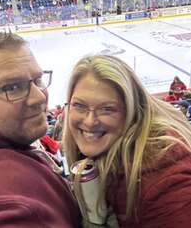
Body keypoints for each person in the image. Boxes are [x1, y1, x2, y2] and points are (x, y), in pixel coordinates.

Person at [0, 32, 81, 227]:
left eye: (38, 80)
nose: (39, 97)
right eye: (12, 87)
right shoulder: (4, 199)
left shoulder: (7, 145)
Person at [63, 54, 191, 228]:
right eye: (79, 105)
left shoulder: (164, 179)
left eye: (107, 109)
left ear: (132, 112)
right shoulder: (107, 153)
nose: (90, 121)